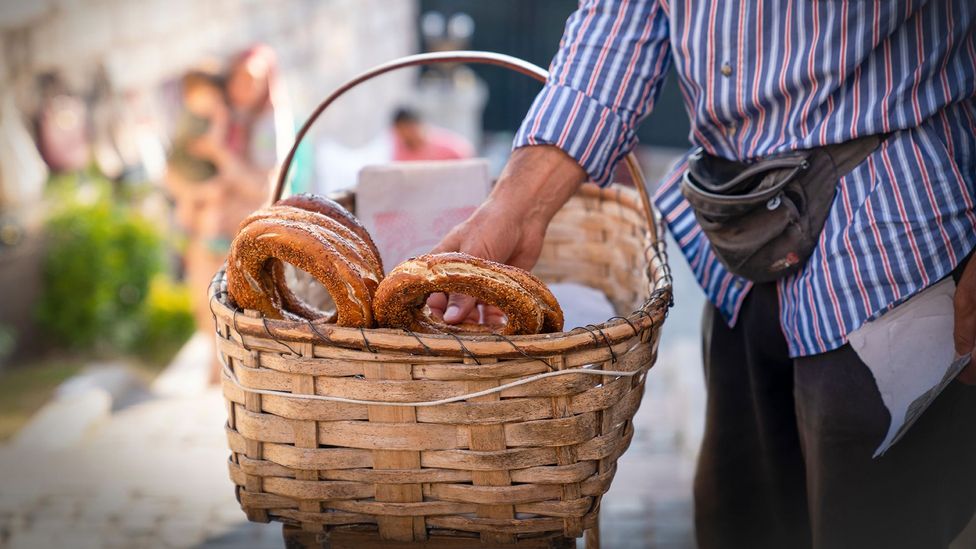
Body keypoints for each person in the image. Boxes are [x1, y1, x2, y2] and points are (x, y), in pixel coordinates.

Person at [430, 2, 976, 548]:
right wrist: (514, 209)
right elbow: (620, 23)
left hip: (892, 249)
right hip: (739, 249)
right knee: (742, 520)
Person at [166, 45, 294, 384]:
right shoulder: (216, 113)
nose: (244, 87)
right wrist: (196, 193)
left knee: (245, 304)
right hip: (208, 225)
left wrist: (220, 158)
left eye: (253, 80)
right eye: (238, 78)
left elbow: (261, 188)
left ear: (267, 82)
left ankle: (240, 370)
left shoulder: (269, 123)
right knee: (203, 299)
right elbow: (175, 170)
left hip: (245, 231)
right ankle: (216, 362)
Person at [390, 107, 474, 162]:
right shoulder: (399, 148)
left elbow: (465, 154)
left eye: (406, 128)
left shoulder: (446, 145)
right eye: (399, 130)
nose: (404, 134)